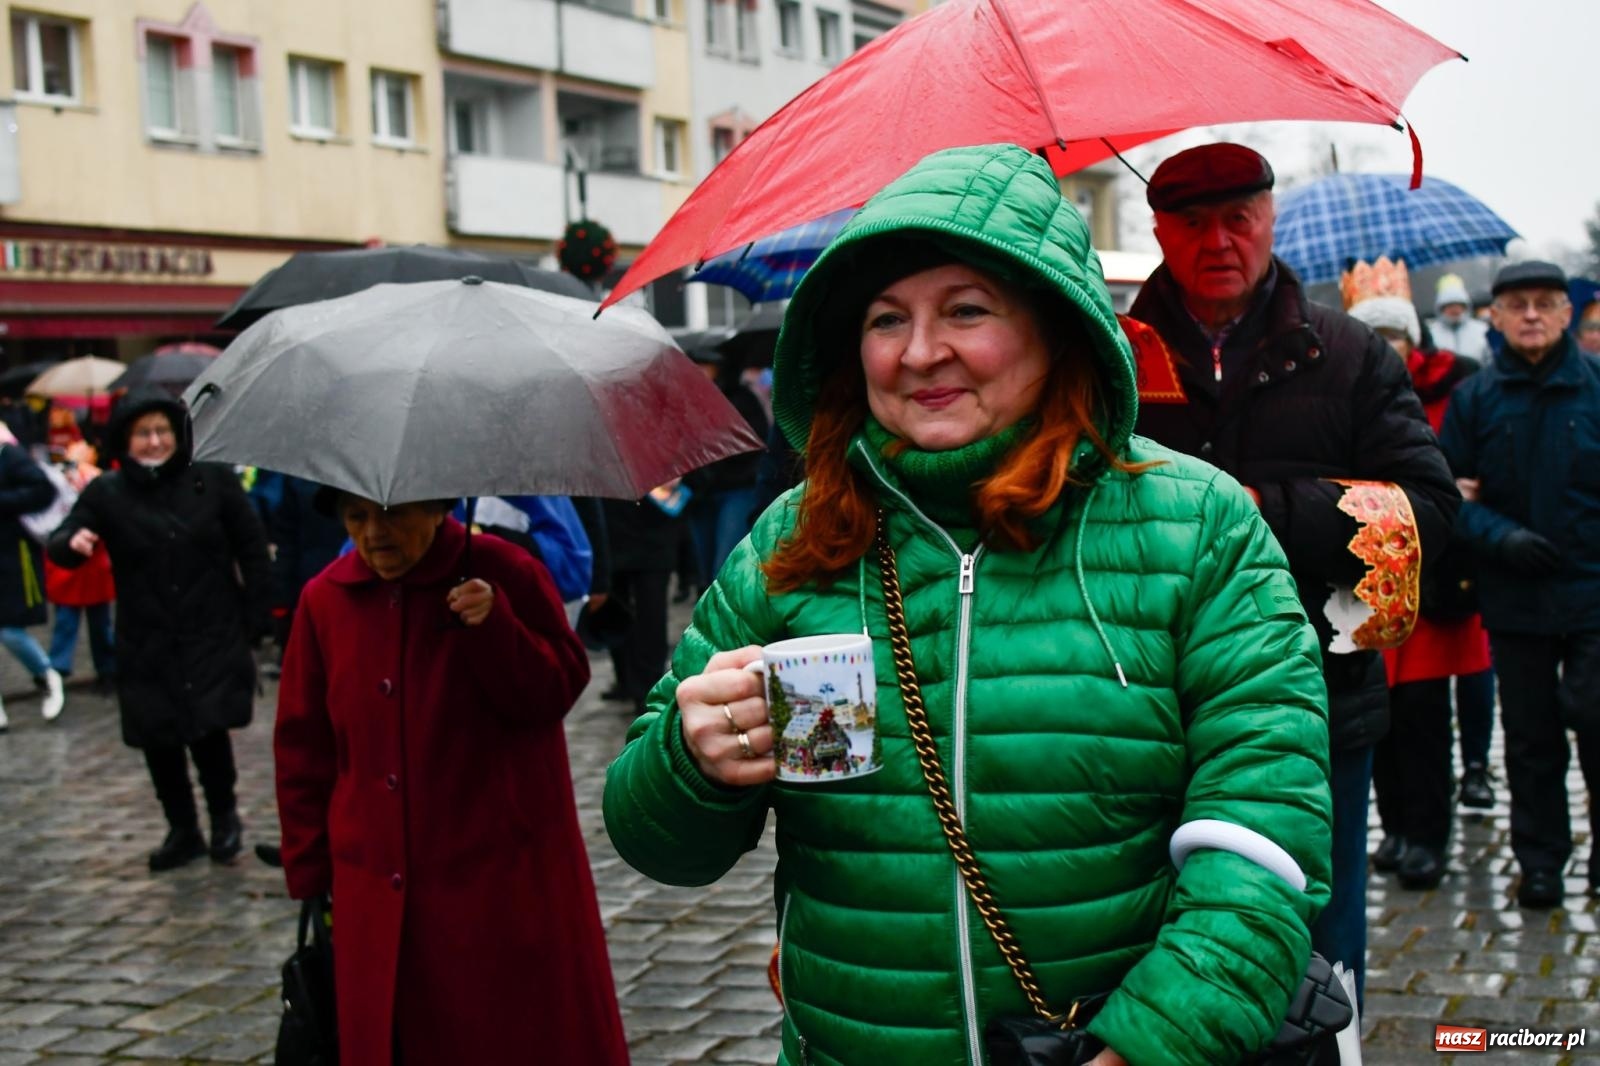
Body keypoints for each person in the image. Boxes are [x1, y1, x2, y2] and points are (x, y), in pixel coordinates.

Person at [603, 143, 1333, 1065]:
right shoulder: (792, 540)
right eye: (885, 319)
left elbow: (1263, 836)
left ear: (1054, 326)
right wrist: (690, 756)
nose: (918, 353)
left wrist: (1146, 1047)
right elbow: (658, 844)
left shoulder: (1200, 528)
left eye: (966, 311)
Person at [1125, 143, 1459, 1001]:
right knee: (1152, 934)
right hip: (1144, 703)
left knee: (1317, 939)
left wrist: (1259, 508)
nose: (1219, 240)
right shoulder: (1110, 360)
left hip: (1318, 701)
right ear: (1158, 227)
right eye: (1193, 222)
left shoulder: (1347, 354)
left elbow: (1428, 510)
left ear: (1271, 217)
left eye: (1239, 218)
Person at [274, 493, 626, 1066]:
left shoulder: (506, 571)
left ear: (439, 506)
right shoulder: (325, 600)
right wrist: (311, 873)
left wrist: (496, 625)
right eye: (356, 518)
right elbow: (302, 748)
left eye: (391, 515)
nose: (374, 535)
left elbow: (555, 687)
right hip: (376, 895)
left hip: (499, 883)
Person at [47, 390, 270, 870]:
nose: (154, 441)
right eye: (143, 433)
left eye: (162, 431)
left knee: (209, 730)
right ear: (125, 441)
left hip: (210, 628)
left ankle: (224, 819)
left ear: (179, 435)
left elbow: (251, 547)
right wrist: (73, 542)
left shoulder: (212, 480)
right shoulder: (107, 491)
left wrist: (256, 617)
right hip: (146, 637)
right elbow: (62, 539)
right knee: (159, 736)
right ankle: (183, 829)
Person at [1439, 260, 1600, 909]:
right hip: (1514, 594)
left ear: (1566, 313)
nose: (1531, 314)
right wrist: (1498, 535)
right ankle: (1540, 861)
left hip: (1593, 593)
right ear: (1496, 318)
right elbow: (1446, 492)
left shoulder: (1595, 388)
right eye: (1517, 305)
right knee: (1531, 738)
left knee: (1595, 719)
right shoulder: (1476, 399)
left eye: (1544, 303)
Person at [1339, 258, 1493, 890]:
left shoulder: (1455, 389)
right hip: (1366, 580)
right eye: (1372, 336)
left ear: (1413, 338)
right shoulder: (1345, 394)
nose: (1385, 348)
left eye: (1394, 335)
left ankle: (1428, 834)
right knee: (1382, 717)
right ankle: (1397, 827)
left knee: (1426, 719)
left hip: (1431, 579)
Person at [0, 424, 65, 731]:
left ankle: (46, 673)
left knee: (9, 629)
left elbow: (42, 490)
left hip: (12, 554)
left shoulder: (10, 456)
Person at [44, 441, 115, 688]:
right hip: (81, 564)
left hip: (89, 565)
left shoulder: (93, 481)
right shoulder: (94, 480)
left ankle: (63, 668)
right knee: (83, 621)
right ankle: (63, 668)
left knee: (90, 622)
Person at [1427, 273, 1491, 361]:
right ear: (1441, 308)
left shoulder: (1482, 330)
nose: (1454, 310)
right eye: (1449, 305)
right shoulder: (1431, 333)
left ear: (1465, 307)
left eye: (1458, 305)